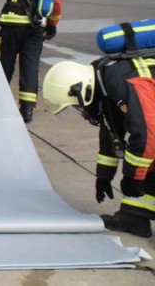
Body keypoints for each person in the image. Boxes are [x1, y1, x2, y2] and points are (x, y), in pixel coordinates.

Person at [43, 55, 155, 237]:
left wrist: (132, 177)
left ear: (82, 90)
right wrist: (104, 176)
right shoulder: (107, 84)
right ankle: (134, 216)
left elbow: (147, 135)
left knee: (144, 159)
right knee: (145, 164)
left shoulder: (124, 84)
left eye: (77, 106)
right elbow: (112, 132)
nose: (81, 111)